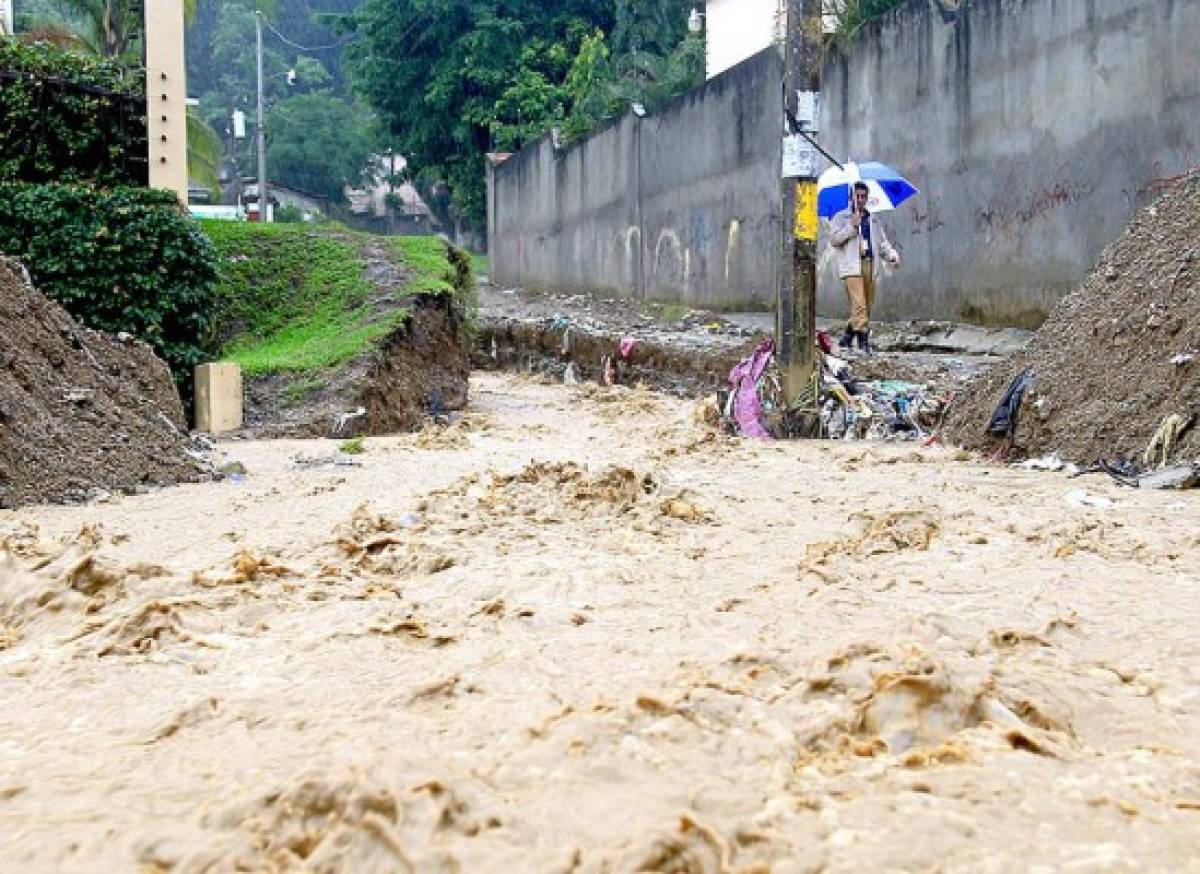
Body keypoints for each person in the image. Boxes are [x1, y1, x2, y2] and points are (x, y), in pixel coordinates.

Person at [830, 181, 901, 355]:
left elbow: (882, 243)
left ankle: (847, 337)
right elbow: (835, 240)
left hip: (870, 263)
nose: (860, 200)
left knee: (866, 306)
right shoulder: (841, 217)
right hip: (851, 266)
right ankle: (863, 342)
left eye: (863, 196)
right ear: (851, 198)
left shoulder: (873, 219)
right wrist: (852, 226)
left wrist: (892, 254)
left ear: (867, 198)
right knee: (859, 305)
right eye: (857, 196)